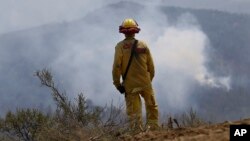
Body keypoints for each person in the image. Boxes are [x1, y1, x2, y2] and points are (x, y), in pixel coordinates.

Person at [112, 18, 159, 131]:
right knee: (151, 106)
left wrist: (118, 84)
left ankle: (137, 133)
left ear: (123, 32)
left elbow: (116, 68)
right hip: (145, 83)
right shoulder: (143, 45)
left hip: (130, 85)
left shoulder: (120, 47)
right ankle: (153, 130)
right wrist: (148, 81)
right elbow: (151, 67)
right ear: (135, 30)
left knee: (134, 112)